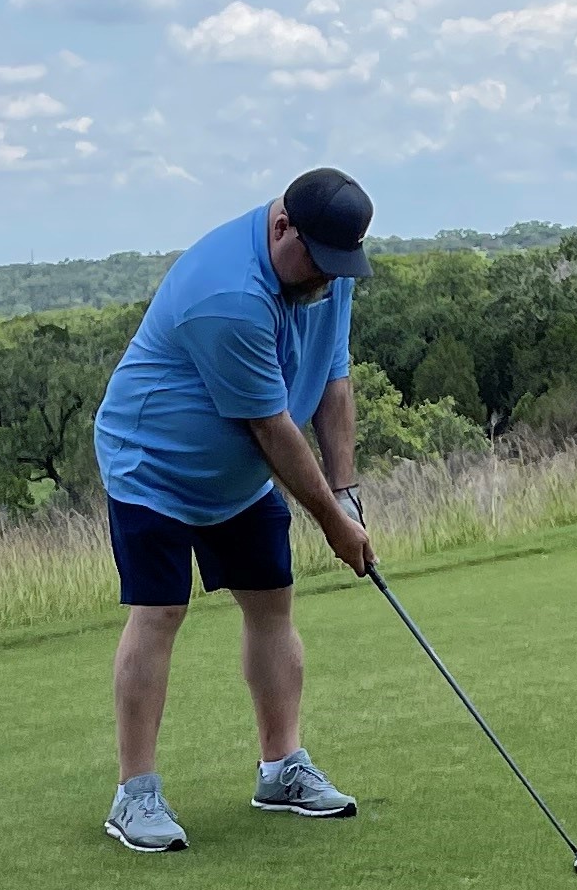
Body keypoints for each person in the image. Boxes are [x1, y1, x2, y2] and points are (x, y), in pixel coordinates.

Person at [91, 166, 380, 853]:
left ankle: (281, 768)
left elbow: (333, 379)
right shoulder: (228, 293)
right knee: (160, 610)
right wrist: (335, 526)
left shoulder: (323, 275)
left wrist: (347, 491)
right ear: (282, 227)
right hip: (151, 465)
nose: (327, 280)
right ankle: (135, 794)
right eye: (319, 261)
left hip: (238, 479)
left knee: (271, 602)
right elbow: (274, 429)